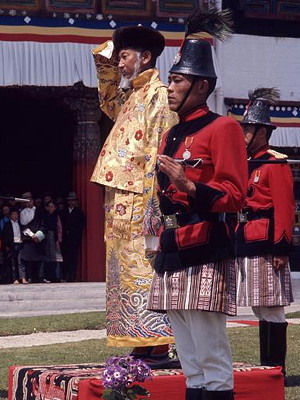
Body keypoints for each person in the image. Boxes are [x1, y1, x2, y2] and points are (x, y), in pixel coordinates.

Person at [147, 8, 248, 400]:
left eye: (176, 81)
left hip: (207, 245)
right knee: (188, 354)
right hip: (174, 248)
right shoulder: (171, 135)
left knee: (210, 350)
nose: (169, 88)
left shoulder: (223, 128)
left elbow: (235, 195)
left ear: (201, 86)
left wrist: (189, 186)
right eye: (170, 80)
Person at [90, 24, 178, 364]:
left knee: (144, 273)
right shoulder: (131, 97)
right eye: (120, 57)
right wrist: (112, 51)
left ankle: (155, 342)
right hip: (121, 204)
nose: (121, 64)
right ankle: (139, 340)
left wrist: (155, 214)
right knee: (123, 276)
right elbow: (108, 95)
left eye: (126, 57)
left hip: (142, 204)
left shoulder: (158, 96)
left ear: (146, 57)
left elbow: (161, 154)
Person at [235, 88, 294, 377]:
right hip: (248, 241)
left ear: (262, 131)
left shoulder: (274, 162)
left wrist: (282, 247)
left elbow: (284, 206)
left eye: (248, 128)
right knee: (260, 308)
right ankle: (266, 369)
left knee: (271, 308)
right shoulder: (246, 163)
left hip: (268, 243)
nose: (244, 132)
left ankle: (275, 370)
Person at [19, 192, 48, 283]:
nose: (28, 203)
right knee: (27, 259)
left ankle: (41, 277)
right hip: (28, 238)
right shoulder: (22, 213)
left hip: (39, 237)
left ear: (33, 201)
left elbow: (44, 224)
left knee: (40, 258)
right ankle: (29, 277)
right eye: (26, 201)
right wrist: (32, 235)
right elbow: (23, 226)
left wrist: (38, 235)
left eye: (30, 200)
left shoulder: (40, 211)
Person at [60, 192, 85, 282]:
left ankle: (72, 275)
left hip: (74, 238)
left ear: (75, 202)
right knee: (65, 257)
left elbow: (82, 225)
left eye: (73, 201)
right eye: (70, 201)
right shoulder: (63, 211)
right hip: (65, 238)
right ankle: (65, 275)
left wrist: (74, 232)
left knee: (73, 257)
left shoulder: (79, 212)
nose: (71, 202)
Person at [2, 208, 27, 284]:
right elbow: (4, 236)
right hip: (12, 245)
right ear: (10, 216)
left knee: (21, 262)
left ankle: (23, 278)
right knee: (13, 263)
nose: (15, 216)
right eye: (13, 214)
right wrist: (6, 245)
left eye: (16, 214)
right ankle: (15, 279)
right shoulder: (7, 225)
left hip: (20, 243)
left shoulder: (20, 224)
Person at [44, 201, 63, 282]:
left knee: (56, 258)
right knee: (46, 257)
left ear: (55, 208)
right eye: (49, 206)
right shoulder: (44, 216)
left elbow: (59, 228)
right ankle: (47, 276)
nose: (51, 208)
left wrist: (59, 239)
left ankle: (56, 276)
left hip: (54, 237)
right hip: (45, 237)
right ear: (47, 208)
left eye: (52, 206)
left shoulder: (56, 216)